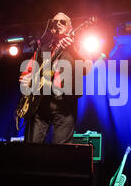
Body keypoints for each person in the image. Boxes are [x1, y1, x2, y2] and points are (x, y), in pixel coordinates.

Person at [20, 12, 93, 144]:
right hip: (41, 100)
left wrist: (72, 51)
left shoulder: (79, 47)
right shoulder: (43, 48)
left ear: (70, 28)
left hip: (65, 101)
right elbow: (28, 69)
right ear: (52, 28)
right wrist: (26, 78)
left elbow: (86, 69)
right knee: (32, 145)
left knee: (61, 149)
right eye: (55, 22)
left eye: (62, 22)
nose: (58, 24)